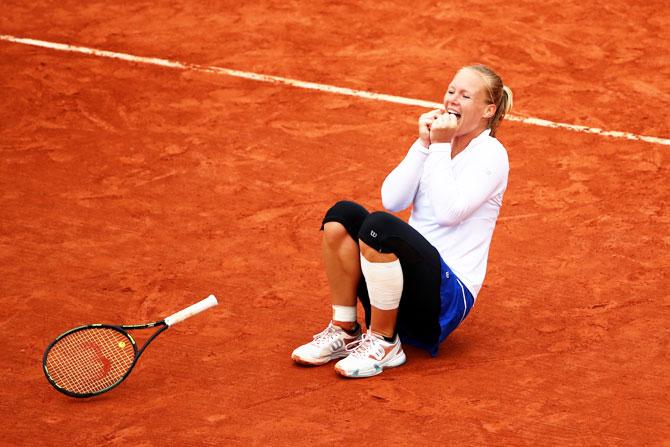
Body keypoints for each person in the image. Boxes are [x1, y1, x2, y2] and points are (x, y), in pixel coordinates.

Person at [291, 64, 513, 378]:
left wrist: (437, 146)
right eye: (451, 91)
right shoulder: (436, 147)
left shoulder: (491, 155)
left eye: (465, 95)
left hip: (445, 300)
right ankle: (346, 330)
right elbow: (393, 200)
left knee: (378, 228)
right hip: (399, 288)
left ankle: (384, 343)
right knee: (341, 217)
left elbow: (450, 213)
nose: (452, 100)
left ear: (488, 110)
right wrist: (423, 145)